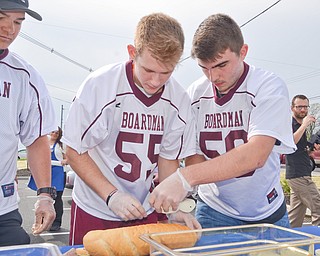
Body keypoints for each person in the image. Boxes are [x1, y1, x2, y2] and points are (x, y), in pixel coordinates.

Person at [62, 12, 200, 245]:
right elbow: (74, 149)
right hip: (96, 207)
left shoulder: (179, 100)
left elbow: (167, 159)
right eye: (148, 70)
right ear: (132, 52)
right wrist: (111, 195)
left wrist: (171, 207)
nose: (156, 81)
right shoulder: (100, 86)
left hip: (145, 209)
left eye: (165, 72)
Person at [149, 13, 296, 229]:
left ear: (243, 52)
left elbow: (255, 156)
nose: (213, 76)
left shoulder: (268, 86)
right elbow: (194, 154)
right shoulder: (195, 95)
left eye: (221, 65)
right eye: (204, 67)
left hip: (266, 209)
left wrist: (185, 178)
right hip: (215, 208)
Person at [0, 0, 57, 246]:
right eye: (1, 18)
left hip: (3, 210)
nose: (9, 29)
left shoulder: (25, 76)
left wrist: (45, 195)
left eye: (17, 22)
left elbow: (35, 139)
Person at [285, 94, 320, 227]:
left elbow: (301, 149)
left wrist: (312, 147)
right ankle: (317, 243)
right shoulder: (290, 125)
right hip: (298, 175)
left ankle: (288, 241)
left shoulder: (302, 127)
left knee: (296, 215)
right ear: (292, 108)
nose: (303, 110)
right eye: (299, 107)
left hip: (302, 173)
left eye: (305, 107)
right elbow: (290, 143)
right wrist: (304, 125)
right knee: (318, 207)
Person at [28, 127, 67, 231]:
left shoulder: (61, 145)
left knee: (57, 199)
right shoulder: (43, 143)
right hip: (45, 172)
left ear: (59, 135)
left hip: (58, 173)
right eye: (53, 131)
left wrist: (65, 161)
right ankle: (41, 221)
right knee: (43, 198)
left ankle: (56, 222)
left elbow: (68, 158)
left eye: (57, 133)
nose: (54, 134)